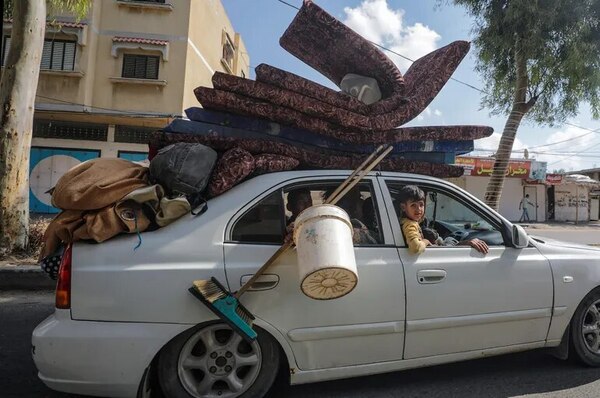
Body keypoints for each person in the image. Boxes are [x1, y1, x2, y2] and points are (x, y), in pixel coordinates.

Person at [398, 185, 489, 254]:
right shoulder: (410, 224)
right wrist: (425, 241)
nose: (418, 209)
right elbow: (416, 247)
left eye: (421, 205)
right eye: (413, 205)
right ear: (403, 207)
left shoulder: (411, 221)